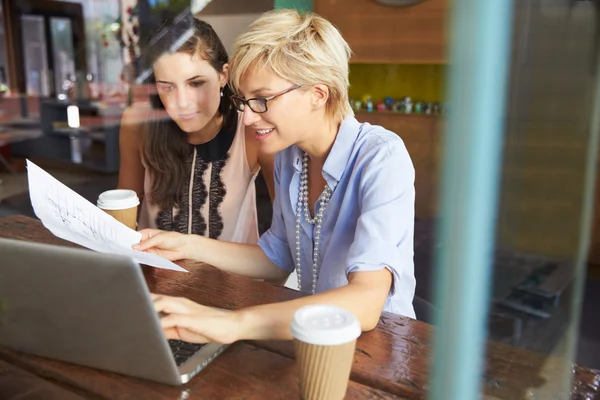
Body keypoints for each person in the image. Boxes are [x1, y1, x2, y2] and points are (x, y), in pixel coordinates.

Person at [134, 9, 416, 344]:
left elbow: (367, 302)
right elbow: (276, 258)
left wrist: (234, 324)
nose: (250, 119)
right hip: (309, 338)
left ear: (318, 94)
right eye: (245, 101)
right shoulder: (289, 156)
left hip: (379, 347)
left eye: (262, 100)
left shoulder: (381, 157)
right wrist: (188, 245)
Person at [118, 13, 274, 244]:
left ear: (223, 75)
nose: (182, 102)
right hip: (152, 277)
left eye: (196, 83)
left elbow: (287, 236)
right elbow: (123, 213)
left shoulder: (252, 128)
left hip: (231, 279)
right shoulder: (138, 123)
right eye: (167, 87)